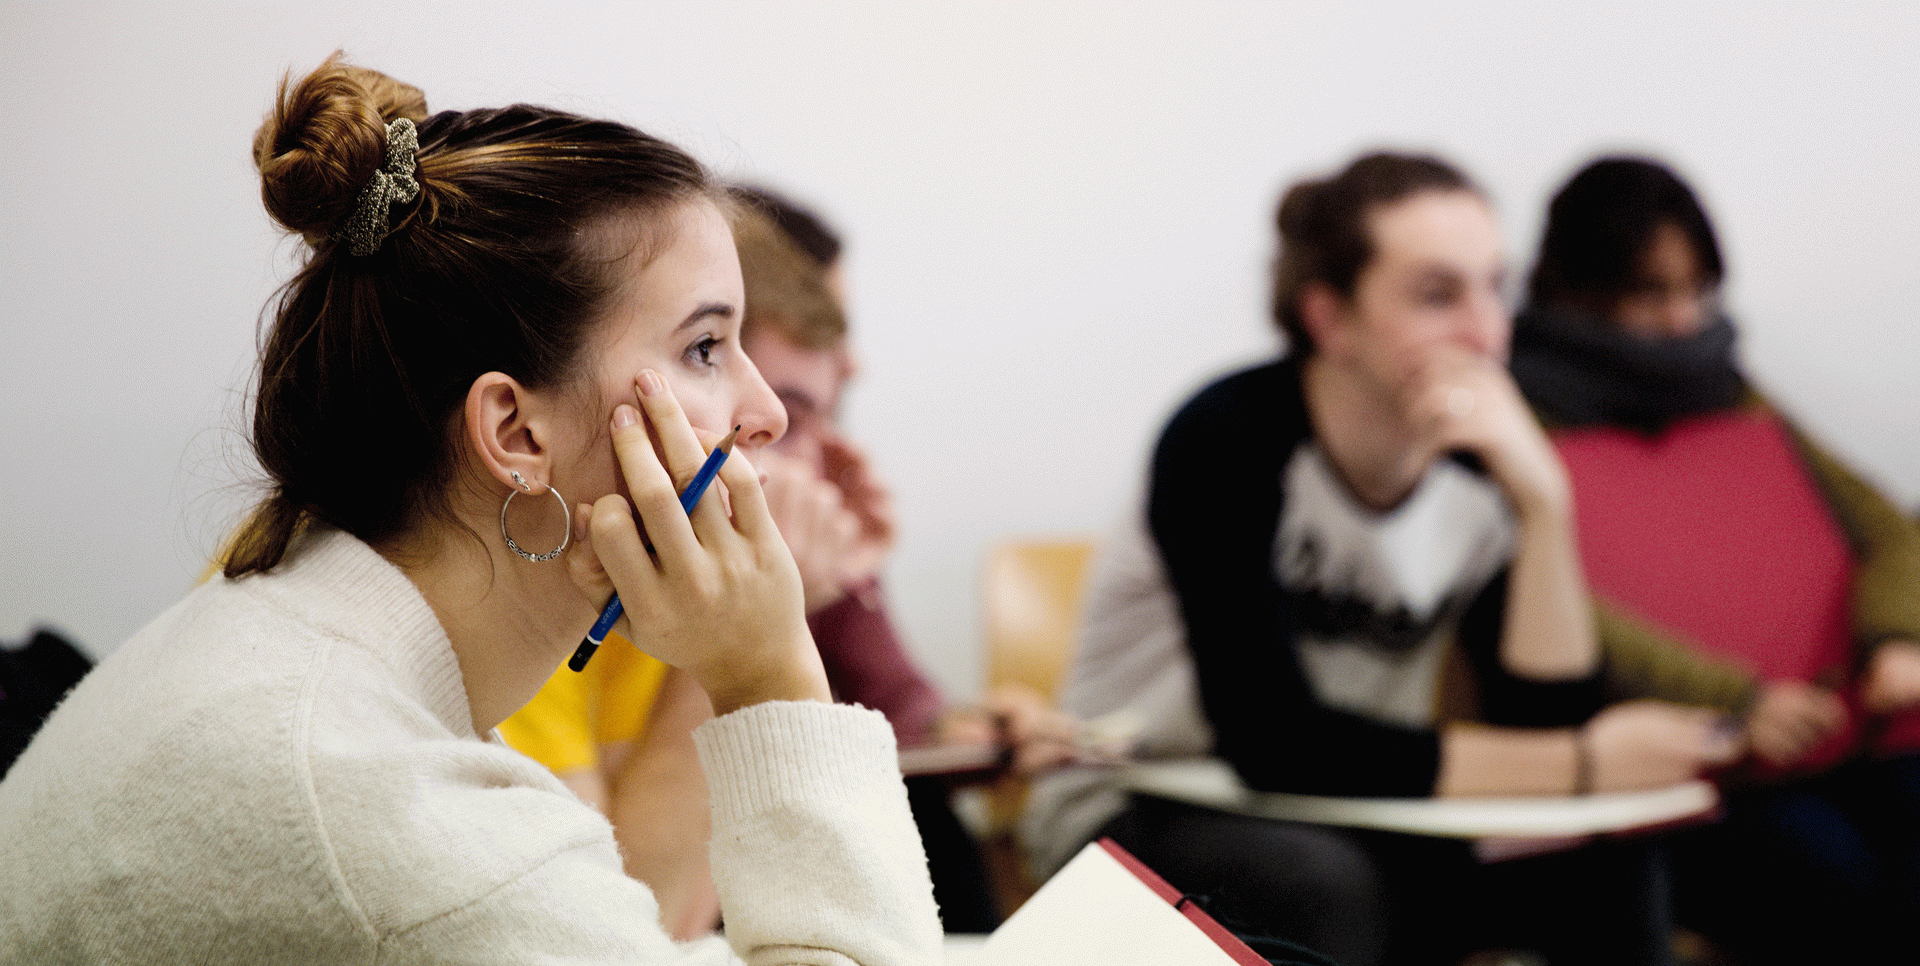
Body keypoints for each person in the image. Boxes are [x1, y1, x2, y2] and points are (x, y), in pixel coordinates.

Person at [0, 55, 939, 965]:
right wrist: (767, 672)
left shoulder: (306, 646)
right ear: (515, 432)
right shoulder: (383, 803)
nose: (766, 414)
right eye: (705, 348)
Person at [1023, 152, 1738, 966]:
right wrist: (1582, 765)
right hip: (1135, 802)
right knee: (1321, 883)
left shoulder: (1476, 463)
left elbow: (1538, 718)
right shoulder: (1226, 434)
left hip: (1349, 807)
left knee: (1609, 861)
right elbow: (1271, 736)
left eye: (1493, 287)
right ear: (1329, 317)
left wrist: (1544, 503)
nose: (1486, 330)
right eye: (1438, 295)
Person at [1510, 154, 1920, 965]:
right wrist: (1734, 700)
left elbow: (1888, 527)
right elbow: (1546, 603)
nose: (1681, 321)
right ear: (1574, 290)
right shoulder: (1521, 418)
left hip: (1837, 728)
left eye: (1696, 291)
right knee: (1829, 878)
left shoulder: (1728, 389)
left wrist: (1892, 639)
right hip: (1690, 767)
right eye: (1650, 293)